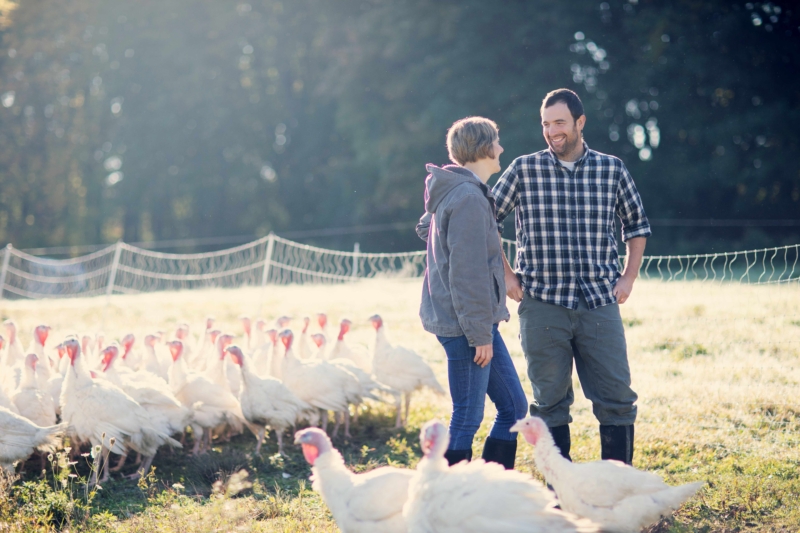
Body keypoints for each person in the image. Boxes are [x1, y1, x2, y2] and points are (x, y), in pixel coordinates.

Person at [492, 89, 651, 466]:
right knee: (549, 404)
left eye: (559, 122)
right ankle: (560, 493)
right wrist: (507, 274)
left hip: (600, 303)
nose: (551, 131)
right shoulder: (524, 169)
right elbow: (486, 218)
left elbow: (637, 225)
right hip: (542, 305)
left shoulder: (611, 169)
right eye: (546, 124)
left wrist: (628, 277)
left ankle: (617, 487)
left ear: (580, 122)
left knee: (617, 400)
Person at [416, 117, 528, 470]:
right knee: (467, 415)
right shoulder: (467, 197)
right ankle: (448, 493)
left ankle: (492, 487)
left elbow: (428, 228)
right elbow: (468, 275)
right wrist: (480, 335)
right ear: (483, 148)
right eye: (496, 142)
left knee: (514, 408)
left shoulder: (461, 192)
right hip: (466, 327)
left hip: (475, 323)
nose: (501, 149)